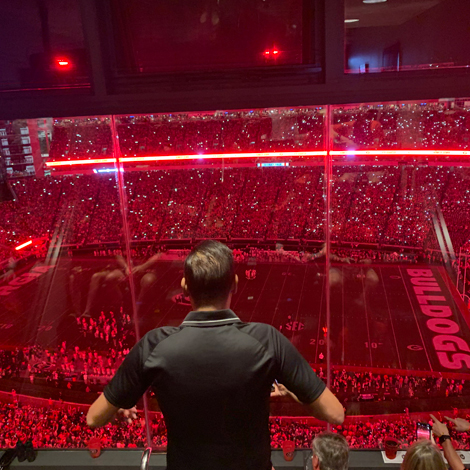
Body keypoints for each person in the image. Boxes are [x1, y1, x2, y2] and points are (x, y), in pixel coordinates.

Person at [87, 240, 344, 470]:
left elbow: (94, 417)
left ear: (185, 287)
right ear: (234, 284)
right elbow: (335, 414)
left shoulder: (154, 345)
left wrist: (123, 400)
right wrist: (296, 395)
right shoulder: (266, 340)